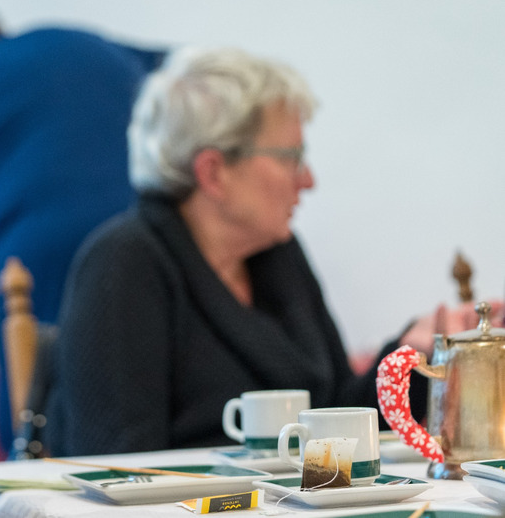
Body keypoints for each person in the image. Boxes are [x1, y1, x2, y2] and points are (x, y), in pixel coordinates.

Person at [42, 47, 490, 457]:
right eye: (290, 156)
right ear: (214, 172)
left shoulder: (278, 253)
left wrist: (409, 354)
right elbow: (116, 464)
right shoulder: (123, 264)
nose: (308, 180)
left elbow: (334, 422)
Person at [0, 8, 164, 451]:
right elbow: (165, 62)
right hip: (139, 225)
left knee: (32, 405)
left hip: (34, 248)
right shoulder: (71, 39)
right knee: (142, 366)